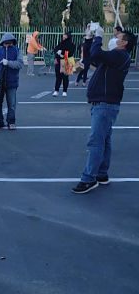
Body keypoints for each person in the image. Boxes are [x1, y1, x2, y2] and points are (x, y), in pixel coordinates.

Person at [72, 27, 137, 194]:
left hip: (105, 104)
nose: (114, 38)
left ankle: (89, 178)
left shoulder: (119, 55)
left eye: (117, 36)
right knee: (104, 140)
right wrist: (88, 39)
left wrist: (98, 38)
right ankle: (101, 174)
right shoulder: (117, 57)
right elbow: (92, 58)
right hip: (106, 103)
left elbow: (97, 54)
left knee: (96, 141)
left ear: (124, 43)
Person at [0, 33, 24, 130]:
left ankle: (11, 122)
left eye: (9, 43)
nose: (7, 45)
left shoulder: (17, 51)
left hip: (12, 82)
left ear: (12, 42)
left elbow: (20, 64)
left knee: (11, 103)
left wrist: (8, 63)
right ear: (2, 43)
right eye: (5, 43)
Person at [52, 32, 75, 97]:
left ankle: (65, 91)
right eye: (63, 37)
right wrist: (57, 55)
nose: (63, 38)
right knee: (58, 77)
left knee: (65, 77)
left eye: (65, 37)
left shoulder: (72, 45)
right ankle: (56, 90)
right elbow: (56, 49)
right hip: (59, 61)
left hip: (67, 61)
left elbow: (71, 53)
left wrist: (62, 53)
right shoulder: (61, 43)